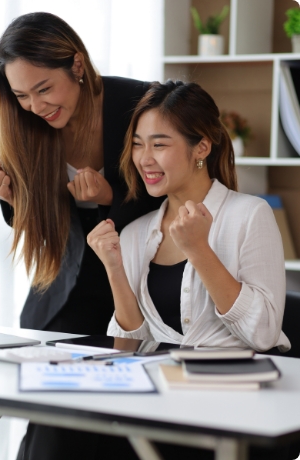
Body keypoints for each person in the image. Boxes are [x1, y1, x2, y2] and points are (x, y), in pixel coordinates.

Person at [0, 11, 164, 460]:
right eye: (22, 95)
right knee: (55, 424)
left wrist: (110, 197)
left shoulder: (141, 104)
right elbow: (42, 221)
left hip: (137, 283)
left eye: (44, 89)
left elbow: (173, 190)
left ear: (77, 66)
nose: (36, 107)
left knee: (108, 427)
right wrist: (12, 200)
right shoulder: (26, 126)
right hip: (68, 295)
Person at [87, 79, 295, 459]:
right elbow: (127, 350)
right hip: (165, 406)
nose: (144, 158)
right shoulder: (136, 234)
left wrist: (198, 249)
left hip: (239, 411)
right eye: (137, 143)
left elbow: (264, 334)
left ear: (201, 146)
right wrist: (114, 268)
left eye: (159, 144)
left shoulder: (249, 215)